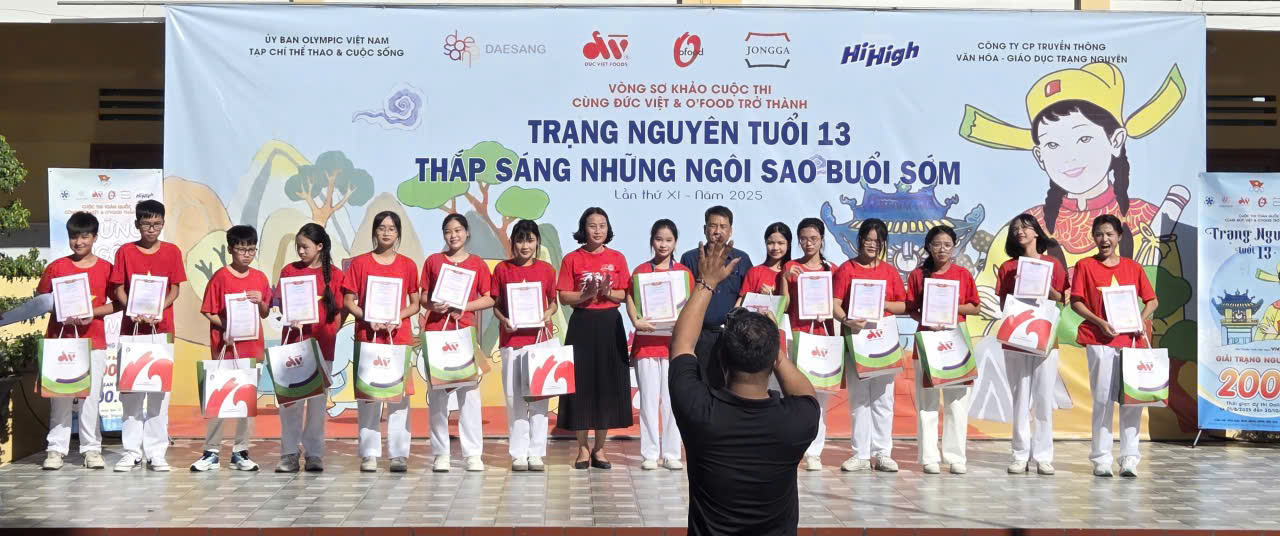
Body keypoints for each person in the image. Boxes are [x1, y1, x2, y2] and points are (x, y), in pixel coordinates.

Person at [670, 238, 819, 536]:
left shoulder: (699, 411)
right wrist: (776, 350)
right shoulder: (798, 421)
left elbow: (682, 344)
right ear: (773, 361)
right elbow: (805, 392)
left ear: (721, 360)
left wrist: (707, 282)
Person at [1069, 214, 1158, 478]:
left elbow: (1152, 300)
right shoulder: (1085, 266)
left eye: (1109, 234)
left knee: (1132, 402)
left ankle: (1129, 458)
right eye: (1099, 234)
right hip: (1099, 341)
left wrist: (1140, 320)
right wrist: (1099, 322)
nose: (1104, 239)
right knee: (1103, 399)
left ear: (1119, 237)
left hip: (1131, 342)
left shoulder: (1133, 267)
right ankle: (1101, 459)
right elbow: (1076, 302)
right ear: (1093, 237)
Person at [110, 199, 186, 472]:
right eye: (146, 224)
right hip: (131, 332)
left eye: (157, 223)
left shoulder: (172, 251)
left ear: (163, 223)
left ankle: (156, 453)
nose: (152, 228)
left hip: (161, 332)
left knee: (158, 395)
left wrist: (158, 309)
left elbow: (175, 289)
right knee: (130, 395)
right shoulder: (126, 252)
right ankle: (131, 452)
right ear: (137, 224)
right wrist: (133, 310)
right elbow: (118, 288)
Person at [342, 211, 421, 473]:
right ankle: (369, 454)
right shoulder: (360, 263)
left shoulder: (408, 265)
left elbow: (415, 304)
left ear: (398, 233)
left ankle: (398, 454)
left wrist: (397, 317)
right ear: (374, 231)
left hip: (398, 339)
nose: (386, 233)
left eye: (392, 228)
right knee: (369, 398)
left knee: (399, 400)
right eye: (381, 228)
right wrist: (369, 317)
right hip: (369, 337)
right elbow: (349, 301)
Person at [191, 225, 272, 472]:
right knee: (218, 400)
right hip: (225, 349)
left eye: (251, 250)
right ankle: (211, 452)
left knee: (245, 404)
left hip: (252, 349)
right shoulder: (220, 277)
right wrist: (227, 326)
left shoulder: (260, 278)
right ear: (230, 250)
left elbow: (265, 313)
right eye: (241, 250)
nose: (247, 255)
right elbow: (208, 310)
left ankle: (241, 452)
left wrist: (261, 302)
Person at [556, 207, 632, 470]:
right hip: (582, 324)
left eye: (602, 225)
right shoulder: (572, 259)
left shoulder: (617, 258)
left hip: (610, 324)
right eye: (592, 225)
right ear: (583, 229)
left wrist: (608, 292)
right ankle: (582, 448)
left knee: (606, 385)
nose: (598, 230)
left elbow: (627, 295)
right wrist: (585, 295)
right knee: (581, 385)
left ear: (608, 229)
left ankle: (600, 448)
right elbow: (563, 296)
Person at [39, 212, 115, 470]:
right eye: (74, 237)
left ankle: (91, 449)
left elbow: (118, 303)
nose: (79, 242)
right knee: (59, 395)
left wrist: (91, 313)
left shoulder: (106, 268)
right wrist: (61, 310)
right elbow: (43, 300)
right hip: (60, 341)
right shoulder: (57, 267)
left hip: (93, 342)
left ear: (95, 237)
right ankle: (55, 449)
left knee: (90, 398)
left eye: (84, 236)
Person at [995, 214, 1069, 476]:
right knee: (1019, 397)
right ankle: (1019, 454)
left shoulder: (1053, 264)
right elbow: (1003, 305)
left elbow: (1062, 299)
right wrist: (1020, 286)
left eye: (1025, 227)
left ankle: (1043, 456)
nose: (1020, 232)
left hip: (1045, 335)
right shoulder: (1008, 267)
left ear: (1036, 232)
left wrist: (1045, 287)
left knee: (1044, 397)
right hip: (1016, 334)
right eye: (1015, 229)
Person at [420, 213, 494, 473]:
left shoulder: (477, 264)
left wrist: (465, 306)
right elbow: (423, 297)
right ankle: (441, 453)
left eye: (458, 230)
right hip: (437, 334)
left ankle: (473, 454)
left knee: (469, 396)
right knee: (438, 397)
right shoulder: (433, 261)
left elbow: (489, 298)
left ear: (467, 232)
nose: (453, 235)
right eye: (448, 231)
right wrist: (433, 305)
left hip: (464, 334)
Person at [832, 218, 906, 473]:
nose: (872, 245)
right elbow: (834, 303)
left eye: (878, 241)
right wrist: (846, 319)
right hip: (856, 339)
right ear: (860, 240)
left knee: (884, 399)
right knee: (860, 400)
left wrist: (880, 303)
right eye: (868, 239)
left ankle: (882, 453)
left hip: (883, 339)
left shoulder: (889, 272)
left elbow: (903, 305)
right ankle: (860, 454)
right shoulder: (847, 269)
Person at [906, 225, 980, 475]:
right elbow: (911, 308)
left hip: (955, 343)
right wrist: (927, 315)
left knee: (956, 402)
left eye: (947, 244)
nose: (942, 249)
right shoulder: (918, 275)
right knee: (926, 403)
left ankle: (955, 456)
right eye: (937, 244)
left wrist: (951, 306)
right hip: (928, 342)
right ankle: (929, 457)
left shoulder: (963, 275)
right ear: (928, 246)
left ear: (954, 247)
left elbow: (975, 307)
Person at [275, 223, 346, 473]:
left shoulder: (335, 275)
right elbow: (280, 305)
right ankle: (289, 454)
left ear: (320, 246)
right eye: (298, 247)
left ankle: (314, 453)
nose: (301, 251)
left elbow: (341, 310)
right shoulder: (289, 271)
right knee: (291, 404)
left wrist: (331, 330)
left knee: (317, 404)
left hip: (322, 347)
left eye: (305, 247)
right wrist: (288, 316)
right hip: (294, 346)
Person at [625, 219, 692, 471]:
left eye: (668, 240)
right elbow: (630, 297)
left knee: (673, 402)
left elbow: (690, 306)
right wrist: (636, 320)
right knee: (649, 402)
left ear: (675, 242)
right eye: (659, 239)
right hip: (646, 345)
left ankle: (672, 453)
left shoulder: (683, 273)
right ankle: (650, 453)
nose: (663, 245)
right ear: (652, 241)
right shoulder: (641, 271)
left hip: (673, 346)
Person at [491, 219, 558, 472]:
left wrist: (548, 313)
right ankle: (518, 453)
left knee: (539, 399)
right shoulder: (502, 269)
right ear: (513, 243)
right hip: (512, 342)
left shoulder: (546, 270)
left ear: (537, 242)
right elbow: (496, 305)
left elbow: (553, 302)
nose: (525, 246)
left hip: (539, 342)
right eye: (520, 240)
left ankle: (536, 453)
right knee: (514, 399)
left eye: (530, 240)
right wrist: (504, 320)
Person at [780, 217, 835, 471]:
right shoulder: (791, 267)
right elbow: (784, 305)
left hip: (823, 337)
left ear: (822, 239)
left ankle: (814, 452)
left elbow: (838, 304)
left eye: (813, 238)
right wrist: (784, 279)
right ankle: (793, 447)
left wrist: (828, 311)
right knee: (794, 395)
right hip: (797, 336)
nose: (808, 243)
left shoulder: (832, 270)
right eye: (803, 239)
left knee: (820, 398)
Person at [679, 206, 752, 390]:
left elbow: (749, 295)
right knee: (702, 386)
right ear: (705, 229)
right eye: (713, 226)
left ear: (730, 230)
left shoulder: (741, 259)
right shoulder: (690, 258)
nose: (717, 231)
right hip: (700, 335)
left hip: (732, 335)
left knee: (732, 387)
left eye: (723, 226)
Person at [735, 222, 790, 308]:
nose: (775, 247)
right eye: (770, 243)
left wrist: (772, 296)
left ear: (788, 245)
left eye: (780, 243)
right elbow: (742, 301)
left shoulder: (793, 271)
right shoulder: (754, 272)